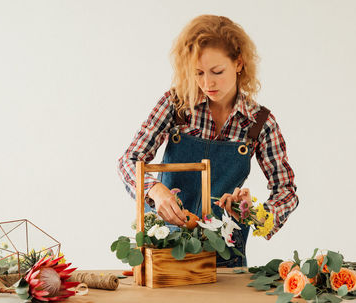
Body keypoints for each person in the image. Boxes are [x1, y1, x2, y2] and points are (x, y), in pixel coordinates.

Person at [117, 15, 298, 267]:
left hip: (223, 254)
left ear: (238, 63)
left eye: (217, 71)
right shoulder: (177, 105)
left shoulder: (260, 123)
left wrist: (254, 213)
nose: (206, 83)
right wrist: (155, 191)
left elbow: (286, 191)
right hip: (165, 247)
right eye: (198, 73)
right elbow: (130, 159)